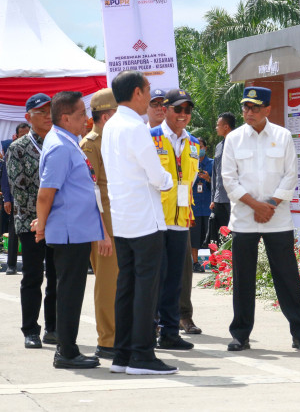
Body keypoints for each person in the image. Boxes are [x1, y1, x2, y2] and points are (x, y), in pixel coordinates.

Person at [222, 86, 300, 352]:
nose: (248, 112)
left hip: (277, 218)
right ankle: (240, 334)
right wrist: (255, 206)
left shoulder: (283, 136)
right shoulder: (234, 138)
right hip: (244, 218)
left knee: (287, 278)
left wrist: (270, 205)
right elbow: (229, 179)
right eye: (245, 107)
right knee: (242, 280)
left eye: (254, 108)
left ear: (267, 110)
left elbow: (290, 174)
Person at [101, 71, 176, 375]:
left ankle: (122, 355)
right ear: (136, 93)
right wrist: (169, 180)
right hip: (144, 218)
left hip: (122, 218)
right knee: (147, 288)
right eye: (147, 91)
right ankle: (142, 355)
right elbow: (156, 174)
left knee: (127, 286)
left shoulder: (111, 125)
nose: (150, 98)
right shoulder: (135, 127)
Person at [34, 91, 107, 369]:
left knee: (71, 291)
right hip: (69, 232)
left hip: (75, 229)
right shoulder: (61, 146)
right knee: (69, 292)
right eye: (80, 115)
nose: (86, 119)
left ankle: (68, 348)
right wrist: (42, 224)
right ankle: (66, 351)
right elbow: (46, 193)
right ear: (65, 118)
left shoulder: (68, 141)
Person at [151, 88, 202, 346]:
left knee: (175, 280)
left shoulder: (193, 143)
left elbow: (190, 181)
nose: (183, 114)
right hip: (154, 219)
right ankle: (151, 329)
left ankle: (170, 332)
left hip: (181, 219)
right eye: (178, 109)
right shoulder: (150, 138)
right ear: (165, 109)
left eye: (187, 110)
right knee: (153, 277)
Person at [6, 93, 57, 349]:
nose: (48, 116)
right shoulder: (17, 148)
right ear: (28, 117)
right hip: (31, 223)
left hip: (59, 221)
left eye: (50, 110)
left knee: (57, 277)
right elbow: (19, 188)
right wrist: (41, 218)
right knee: (33, 276)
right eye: (41, 112)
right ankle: (30, 330)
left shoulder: (61, 142)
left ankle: (54, 328)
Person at [80, 88, 119, 360]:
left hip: (122, 221)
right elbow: (91, 192)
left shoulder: (114, 141)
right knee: (107, 283)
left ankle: (121, 335)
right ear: (106, 116)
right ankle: (107, 340)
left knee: (120, 282)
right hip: (104, 225)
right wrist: (101, 231)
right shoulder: (90, 145)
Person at [2, 122, 31, 275]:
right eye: (22, 134)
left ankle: (31, 264)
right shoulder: (12, 150)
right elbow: (5, 178)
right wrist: (7, 199)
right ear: (17, 135)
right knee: (14, 232)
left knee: (32, 233)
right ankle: (11, 265)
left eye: (28, 133)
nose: (25, 136)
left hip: (34, 199)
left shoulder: (37, 149)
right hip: (15, 199)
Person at [208, 112, 236, 244]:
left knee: (233, 234)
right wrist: (213, 198)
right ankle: (220, 264)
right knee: (219, 235)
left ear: (226, 126)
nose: (216, 128)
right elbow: (215, 173)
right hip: (219, 199)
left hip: (233, 198)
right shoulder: (219, 146)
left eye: (218, 125)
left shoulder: (238, 143)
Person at [190, 137, 213, 273]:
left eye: (201, 147)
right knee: (194, 236)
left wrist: (208, 179)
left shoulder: (212, 163)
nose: (199, 150)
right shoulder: (189, 163)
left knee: (211, 236)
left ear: (205, 148)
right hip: (195, 206)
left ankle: (215, 262)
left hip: (209, 206)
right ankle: (195, 263)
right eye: (196, 147)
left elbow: (218, 184)